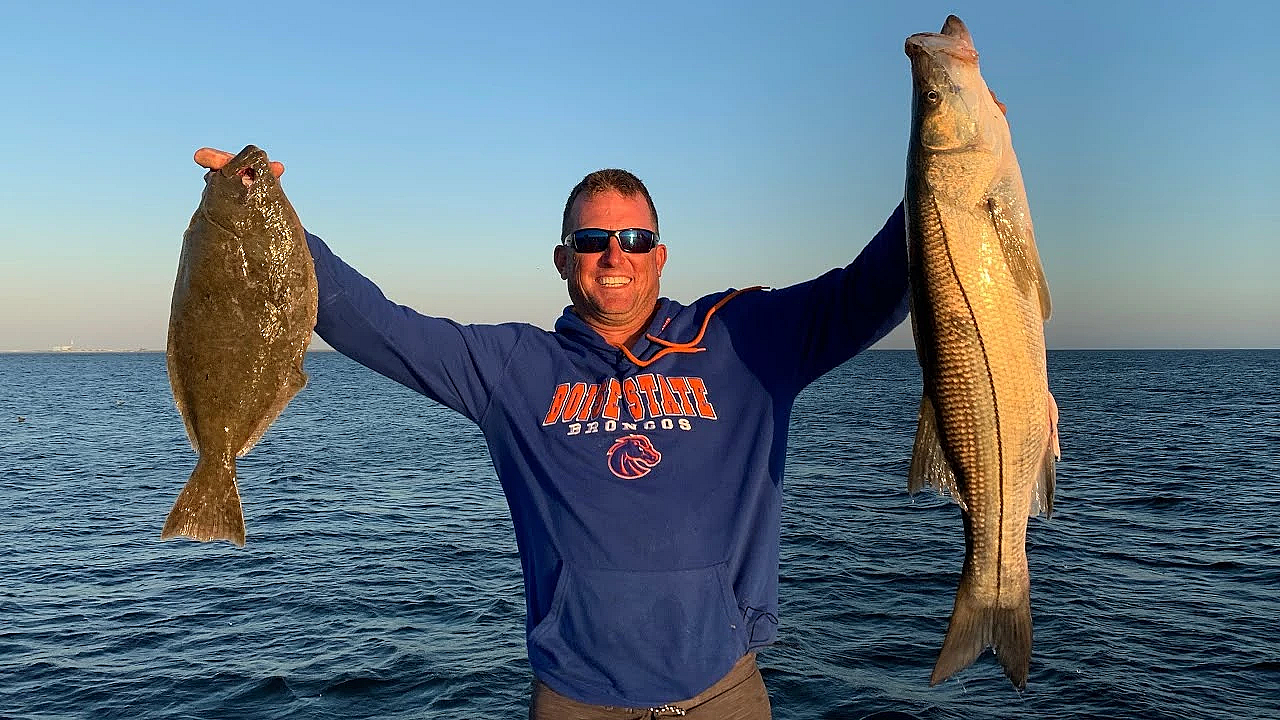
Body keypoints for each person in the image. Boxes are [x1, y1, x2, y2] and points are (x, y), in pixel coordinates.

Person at [194, 147, 909, 718]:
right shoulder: (514, 368)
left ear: (660, 255)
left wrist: (952, 157)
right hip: (575, 700)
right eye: (592, 240)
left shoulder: (745, 341)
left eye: (634, 239)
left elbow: (878, 285)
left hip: (725, 693)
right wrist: (264, 218)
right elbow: (373, 324)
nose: (614, 256)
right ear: (565, 259)